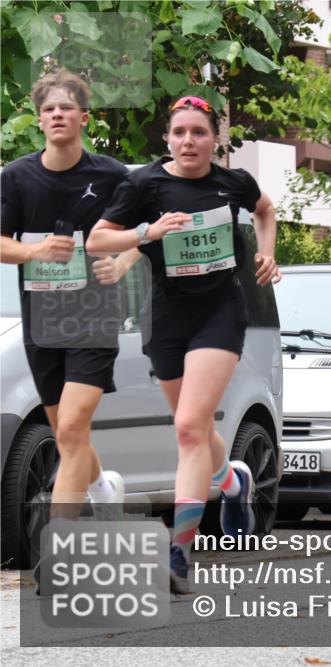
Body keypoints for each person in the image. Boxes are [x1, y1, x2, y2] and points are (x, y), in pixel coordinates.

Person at [87, 95, 281, 593]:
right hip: (167, 317)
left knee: (191, 428)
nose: (189, 141)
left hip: (220, 313)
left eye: (199, 132)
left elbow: (265, 210)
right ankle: (233, 481)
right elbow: (97, 240)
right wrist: (146, 231)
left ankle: (178, 550)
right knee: (189, 428)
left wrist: (266, 254)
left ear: (216, 138)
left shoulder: (233, 181)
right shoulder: (145, 184)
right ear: (168, 139)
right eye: (180, 133)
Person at [0, 70, 137, 575]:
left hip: (95, 315)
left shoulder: (113, 176)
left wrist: (123, 261)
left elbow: (142, 232)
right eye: (49, 109)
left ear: (84, 117)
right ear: (40, 120)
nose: (58, 114)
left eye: (67, 107)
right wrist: (35, 250)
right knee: (67, 437)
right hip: (42, 319)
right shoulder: (15, 177)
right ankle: (105, 491)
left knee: (75, 426)